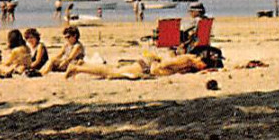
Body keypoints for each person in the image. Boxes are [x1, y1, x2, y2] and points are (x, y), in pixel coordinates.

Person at [68, 52, 213, 80]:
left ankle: (82, 66)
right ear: (201, 61)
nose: (202, 68)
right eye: (203, 66)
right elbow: (164, 63)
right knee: (112, 73)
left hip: (147, 65)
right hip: (147, 67)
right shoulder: (186, 60)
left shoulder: (189, 61)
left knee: (113, 71)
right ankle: (77, 68)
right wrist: (155, 72)